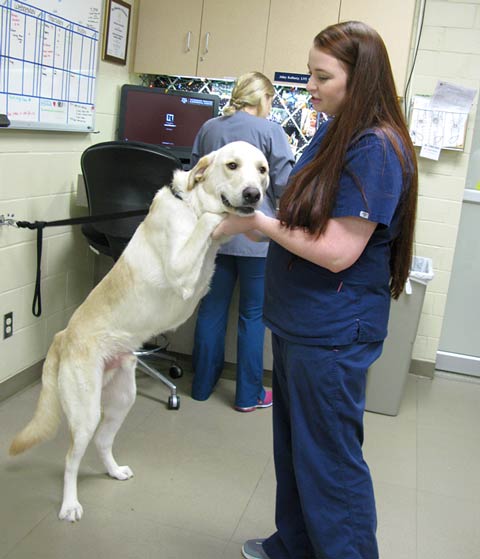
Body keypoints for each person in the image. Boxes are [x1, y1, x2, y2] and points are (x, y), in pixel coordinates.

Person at [212, 21, 418, 559]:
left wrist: (257, 223)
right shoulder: (334, 129)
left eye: (321, 76)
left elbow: (337, 251)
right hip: (301, 321)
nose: (309, 85)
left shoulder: (375, 147)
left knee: (330, 461)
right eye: (309, 72)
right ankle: (295, 547)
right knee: (296, 450)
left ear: (361, 79)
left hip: (333, 329)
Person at [190, 71, 295, 412]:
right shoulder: (271, 131)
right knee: (252, 316)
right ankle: (249, 396)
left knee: (211, 309)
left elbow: (196, 177)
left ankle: (202, 386)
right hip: (255, 239)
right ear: (263, 98)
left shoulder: (209, 128)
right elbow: (285, 186)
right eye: (271, 100)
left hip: (215, 235)